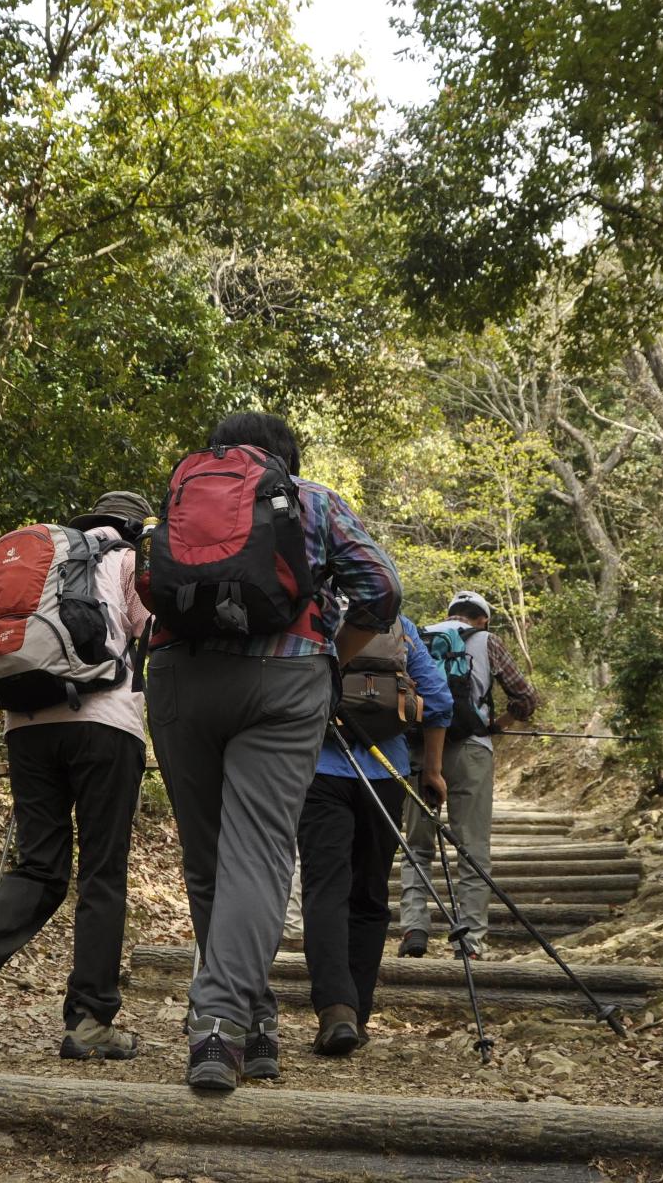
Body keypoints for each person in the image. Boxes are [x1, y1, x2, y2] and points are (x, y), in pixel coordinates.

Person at [146, 412, 401, 1092]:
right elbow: (382, 589)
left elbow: (153, 587)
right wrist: (331, 660)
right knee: (257, 854)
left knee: (207, 863)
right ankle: (223, 1028)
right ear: (287, 456)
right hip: (284, 679)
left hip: (179, 675)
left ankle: (256, 1025)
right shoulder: (313, 498)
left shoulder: (182, 495)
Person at [0, 490, 155, 1060]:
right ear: (132, 526)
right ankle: (90, 1021)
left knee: (40, 868)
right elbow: (149, 630)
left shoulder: (46, 559)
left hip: (25, 727)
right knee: (101, 874)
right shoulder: (126, 559)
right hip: (105, 725)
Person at [299, 613, 450, 1056]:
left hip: (319, 771)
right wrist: (435, 771)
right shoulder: (397, 625)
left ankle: (336, 1010)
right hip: (388, 775)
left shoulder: (315, 616)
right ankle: (358, 1015)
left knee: (325, 891)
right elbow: (438, 699)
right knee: (368, 897)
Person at [398, 590, 539, 959]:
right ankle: (470, 940)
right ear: (483, 619)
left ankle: (414, 926)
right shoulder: (487, 641)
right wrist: (498, 724)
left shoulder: (417, 635)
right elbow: (525, 698)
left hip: (418, 749)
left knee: (417, 844)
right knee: (472, 847)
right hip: (472, 749)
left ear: (449, 614)